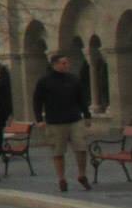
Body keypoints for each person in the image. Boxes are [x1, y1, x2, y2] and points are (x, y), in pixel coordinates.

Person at [33, 52, 92, 195]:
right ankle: (61, 178)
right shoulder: (44, 81)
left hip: (75, 119)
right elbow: (37, 101)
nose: (67, 65)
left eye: (67, 63)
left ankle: (82, 174)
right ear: (55, 64)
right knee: (58, 151)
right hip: (55, 121)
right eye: (63, 63)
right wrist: (39, 119)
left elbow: (81, 98)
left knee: (81, 147)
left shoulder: (73, 79)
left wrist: (87, 115)